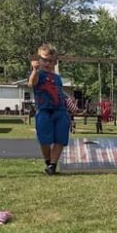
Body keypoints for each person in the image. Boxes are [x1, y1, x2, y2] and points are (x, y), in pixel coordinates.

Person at [28, 44, 70, 175]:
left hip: (60, 111)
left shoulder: (57, 78)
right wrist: (34, 70)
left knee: (60, 139)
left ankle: (53, 164)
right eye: (44, 60)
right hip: (44, 111)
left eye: (50, 61)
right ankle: (48, 160)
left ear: (55, 62)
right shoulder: (38, 74)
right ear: (38, 60)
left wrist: (68, 101)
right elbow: (31, 83)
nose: (47, 63)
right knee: (45, 140)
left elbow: (59, 92)